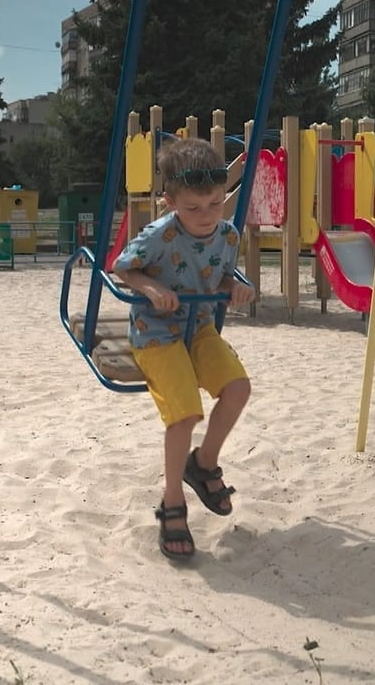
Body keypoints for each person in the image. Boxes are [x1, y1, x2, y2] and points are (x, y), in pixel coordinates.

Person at [112, 138, 254, 561]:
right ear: (170, 201)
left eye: (214, 203)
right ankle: (173, 500)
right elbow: (122, 268)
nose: (206, 216)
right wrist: (151, 287)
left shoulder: (226, 234)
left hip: (200, 328)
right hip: (156, 332)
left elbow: (225, 275)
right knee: (186, 412)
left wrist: (236, 288)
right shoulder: (160, 235)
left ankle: (203, 463)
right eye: (193, 208)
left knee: (238, 389)